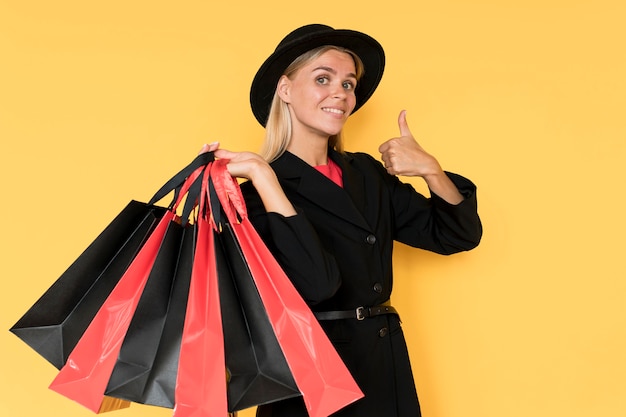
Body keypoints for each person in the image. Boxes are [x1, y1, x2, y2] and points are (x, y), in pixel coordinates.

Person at [204, 23, 482, 417]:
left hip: (382, 367)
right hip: (311, 378)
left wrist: (431, 171)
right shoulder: (253, 189)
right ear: (285, 90)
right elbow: (318, 284)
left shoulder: (366, 174)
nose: (340, 93)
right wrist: (267, 178)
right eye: (323, 79)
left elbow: (457, 235)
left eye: (348, 84)